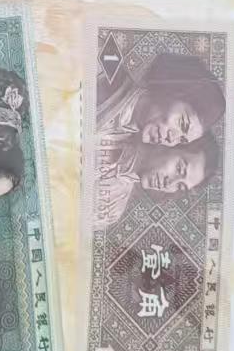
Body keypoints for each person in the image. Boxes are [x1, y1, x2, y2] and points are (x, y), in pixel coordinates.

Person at [93, 131, 221, 232]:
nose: (170, 183)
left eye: (180, 186)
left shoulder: (113, 209)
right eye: (179, 169)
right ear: (170, 143)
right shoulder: (114, 126)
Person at [95, 50, 224, 149]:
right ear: (171, 90)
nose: (171, 139)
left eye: (182, 140)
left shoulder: (120, 151)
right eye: (182, 124)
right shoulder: (104, 67)